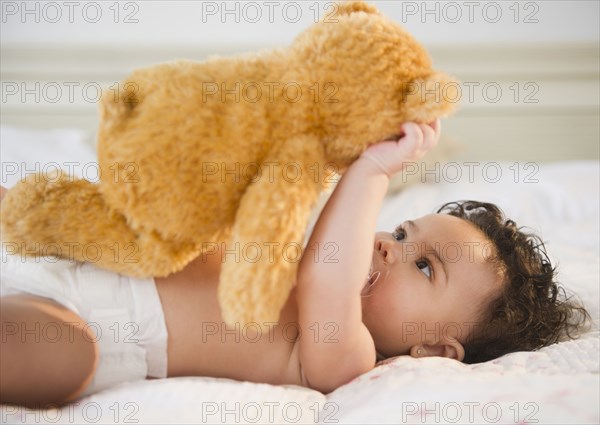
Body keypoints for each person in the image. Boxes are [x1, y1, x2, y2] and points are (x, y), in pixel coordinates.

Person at [0, 121, 590, 408]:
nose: (390, 243)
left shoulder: (343, 357)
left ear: (434, 351)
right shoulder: (298, 245)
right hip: (76, 250)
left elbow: (326, 275)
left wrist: (372, 171)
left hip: (88, 321)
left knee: (58, 355)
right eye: (405, 231)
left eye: (425, 267)